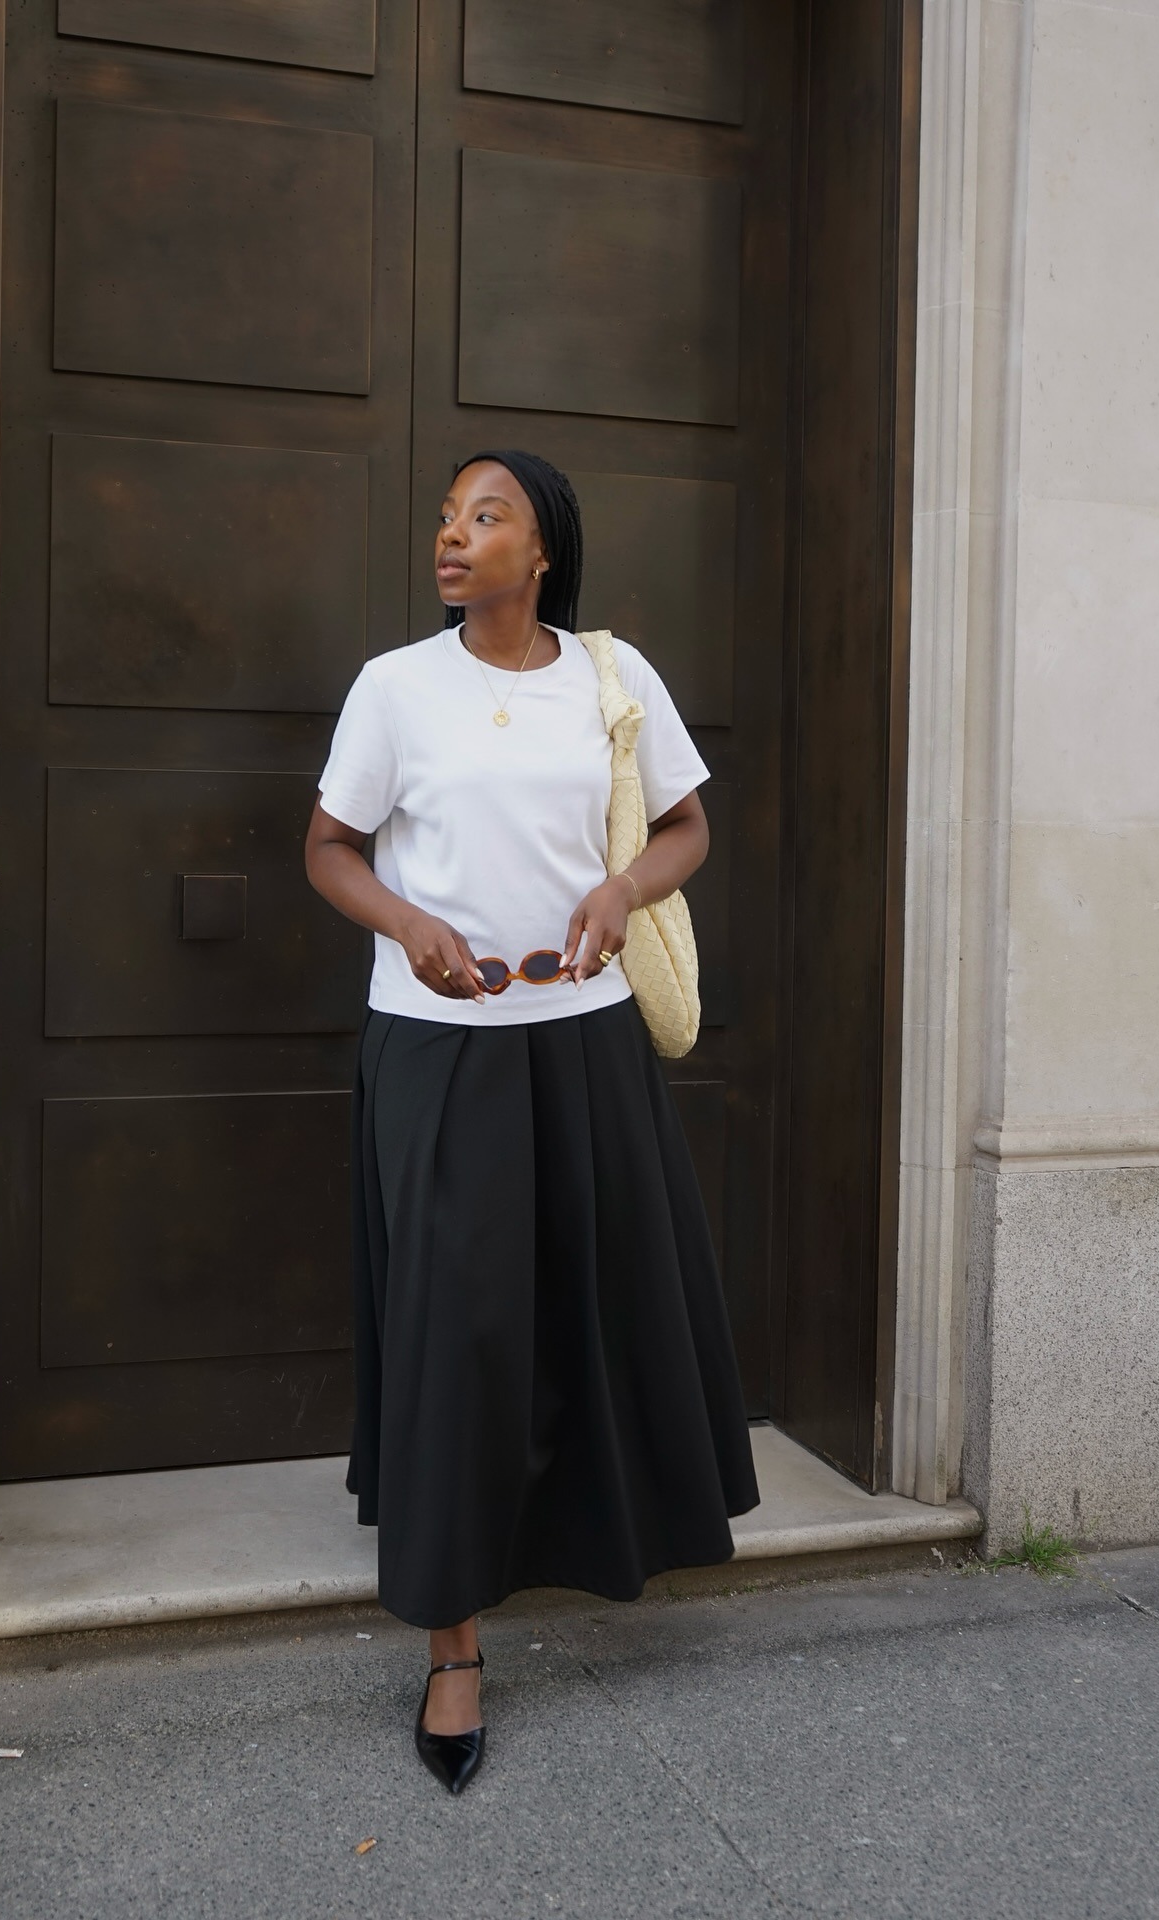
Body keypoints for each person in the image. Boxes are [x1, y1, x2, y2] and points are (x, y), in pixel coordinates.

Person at [305, 450, 759, 1795]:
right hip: (439, 1054)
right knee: (458, 1332)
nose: (454, 535)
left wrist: (622, 894)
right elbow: (328, 848)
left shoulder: (611, 680)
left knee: (590, 1311)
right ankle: (454, 1646)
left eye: (485, 516)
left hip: (586, 1049)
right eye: (447, 516)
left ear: (543, 547)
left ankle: (590, 1547)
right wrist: (411, 923)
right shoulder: (397, 688)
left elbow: (686, 828)